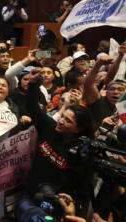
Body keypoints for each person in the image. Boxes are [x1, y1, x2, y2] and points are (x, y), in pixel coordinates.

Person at [26, 67, 94, 218]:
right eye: (63, 116)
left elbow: (83, 190)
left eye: (68, 121)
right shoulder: (50, 128)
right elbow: (33, 108)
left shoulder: (82, 153)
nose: (61, 121)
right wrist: (32, 83)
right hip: (31, 195)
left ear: (79, 129)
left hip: (56, 206)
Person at [84, 53, 126, 128]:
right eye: (112, 89)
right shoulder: (99, 102)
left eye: (120, 90)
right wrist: (98, 64)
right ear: (106, 92)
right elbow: (88, 84)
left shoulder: (124, 107)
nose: (115, 92)